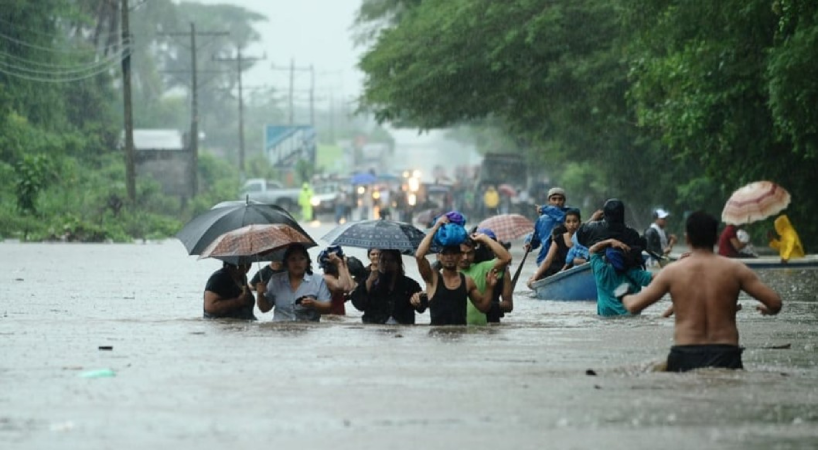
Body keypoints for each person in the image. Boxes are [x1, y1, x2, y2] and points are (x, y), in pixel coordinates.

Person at [622, 211, 782, 372]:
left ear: (687, 239)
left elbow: (634, 306)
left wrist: (623, 295)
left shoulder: (673, 271)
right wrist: (767, 310)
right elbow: (775, 303)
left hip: (685, 353)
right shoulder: (736, 269)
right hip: (726, 354)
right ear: (716, 238)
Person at [414, 215, 497, 325]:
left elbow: (483, 307)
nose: (449, 257)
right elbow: (419, 256)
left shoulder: (467, 281)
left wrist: (490, 287)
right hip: (436, 335)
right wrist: (436, 227)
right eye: (445, 253)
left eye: (453, 253)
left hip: (461, 335)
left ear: (459, 256)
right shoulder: (433, 279)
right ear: (439, 256)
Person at [255, 244, 332, 322]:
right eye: (292, 259)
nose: (297, 263)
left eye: (301, 259)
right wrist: (260, 295)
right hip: (279, 328)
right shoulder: (276, 280)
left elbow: (328, 308)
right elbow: (264, 309)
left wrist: (314, 304)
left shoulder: (318, 280)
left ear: (307, 262)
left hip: (308, 328)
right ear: (286, 262)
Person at [350, 249, 426, 324]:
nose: (387, 264)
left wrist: (418, 300)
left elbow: (422, 308)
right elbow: (359, 305)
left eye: (391, 260)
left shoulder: (410, 284)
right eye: (383, 260)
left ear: (398, 263)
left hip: (402, 326)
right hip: (375, 326)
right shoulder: (370, 281)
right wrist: (370, 281)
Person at [587, 237, 655, 317]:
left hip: (605, 320)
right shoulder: (636, 274)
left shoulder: (601, 270)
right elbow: (660, 280)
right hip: (631, 320)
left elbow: (592, 250)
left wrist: (610, 241)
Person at [458, 229, 512, 325]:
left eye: (469, 253)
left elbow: (506, 258)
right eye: (461, 253)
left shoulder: (482, 269)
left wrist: (484, 238)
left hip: (481, 329)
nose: (465, 257)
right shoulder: (444, 274)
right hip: (457, 330)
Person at [528, 208, 582, 287]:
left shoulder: (585, 237)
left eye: (574, 221)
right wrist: (534, 278)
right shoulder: (558, 239)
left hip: (578, 271)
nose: (571, 224)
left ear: (579, 223)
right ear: (564, 224)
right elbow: (547, 261)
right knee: (530, 281)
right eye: (568, 222)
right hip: (559, 271)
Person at [525, 187, 569, 266]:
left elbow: (562, 217)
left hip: (565, 259)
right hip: (545, 259)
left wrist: (545, 209)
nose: (557, 202)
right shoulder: (542, 219)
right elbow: (536, 237)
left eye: (560, 199)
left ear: (564, 201)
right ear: (549, 201)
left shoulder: (570, 215)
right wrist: (529, 243)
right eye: (554, 199)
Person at [318, 246, 355, 315]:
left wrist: (345, 267)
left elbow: (351, 288)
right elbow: (346, 288)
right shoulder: (326, 278)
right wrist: (340, 264)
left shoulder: (337, 280)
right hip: (330, 320)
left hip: (336, 319)